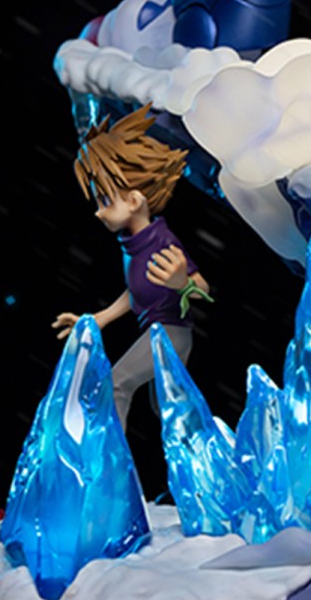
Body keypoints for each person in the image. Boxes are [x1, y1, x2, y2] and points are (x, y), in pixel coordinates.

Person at [53, 106, 211, 430]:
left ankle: (113, 458)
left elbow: (202, 288)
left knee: (117, 384)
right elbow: (137, 289)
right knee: (168, 409)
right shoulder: (133, 244)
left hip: (171, 333)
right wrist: (101, 318)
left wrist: (182, 283)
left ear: (135, 200)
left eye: (105, 201)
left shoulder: (161, 241)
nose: (98, 212)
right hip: (158, 332)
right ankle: (207, 443)